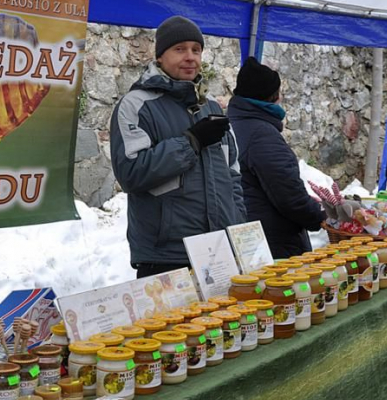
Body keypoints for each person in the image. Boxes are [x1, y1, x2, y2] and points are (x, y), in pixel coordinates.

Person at [110, 15, 246, 278]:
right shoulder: (136, 105)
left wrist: (236, 223)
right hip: (167, 255)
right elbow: (131, 173)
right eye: (180, 49)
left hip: (219, 252)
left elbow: (233, 175)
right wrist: (190, 142)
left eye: (196, 50)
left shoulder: (212, 108)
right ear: (160, 56)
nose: (190, 57)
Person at [226, 57, 327, 258]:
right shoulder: (261, 134)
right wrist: (322, 216)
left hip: (246, 236)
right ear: (273, 97)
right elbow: (289, 195)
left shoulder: (232, 123)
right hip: (272, 244)